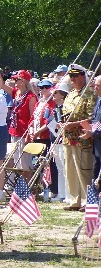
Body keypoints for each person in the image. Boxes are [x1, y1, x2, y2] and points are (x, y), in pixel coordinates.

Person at [61, 64, 96, 211]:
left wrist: (73, 124)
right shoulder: (70, 94)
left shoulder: (89, 94)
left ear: (83, 76)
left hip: (82, 137)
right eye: (71, 76)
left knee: (83, 170)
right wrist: (62, 123)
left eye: (75, 76)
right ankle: (74, 200)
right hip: (68, 137)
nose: (73, 79)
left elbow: (91, 119)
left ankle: (87, 200)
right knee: (71, 170)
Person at [1, 70, 37, 173]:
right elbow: (2, 85)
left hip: (24, 132)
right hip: (14, 130)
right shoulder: (16, 93)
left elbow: (33, 116)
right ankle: (17, 185)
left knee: (24, 162)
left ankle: (27, 186)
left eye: (17, 79)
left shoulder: (31, 97)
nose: (15, 81)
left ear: (24, 81)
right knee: (14, 158)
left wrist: (29, 133)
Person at [27, 79, 57, 199]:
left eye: (46, 87)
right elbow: (33, 118)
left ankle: (52, 188)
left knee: (49, 164)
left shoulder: (52, 103)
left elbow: (50, 121)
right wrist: (30, 130)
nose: (44, 89)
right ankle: (43, 187)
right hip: (37, 136)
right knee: (39, 164)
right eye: (41, 87)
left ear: (51, 88)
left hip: (46, 137)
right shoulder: (39, 102)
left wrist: (38, 132)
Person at [49, 83, 71, 203]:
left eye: (56, 92)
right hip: (55, 141)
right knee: (60, 168)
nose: (53, 94)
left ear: (62, 95)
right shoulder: (56, 108)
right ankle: (61, 193)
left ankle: (68, 194)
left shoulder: (65, 108)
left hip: (63, 141)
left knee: (65, 168)